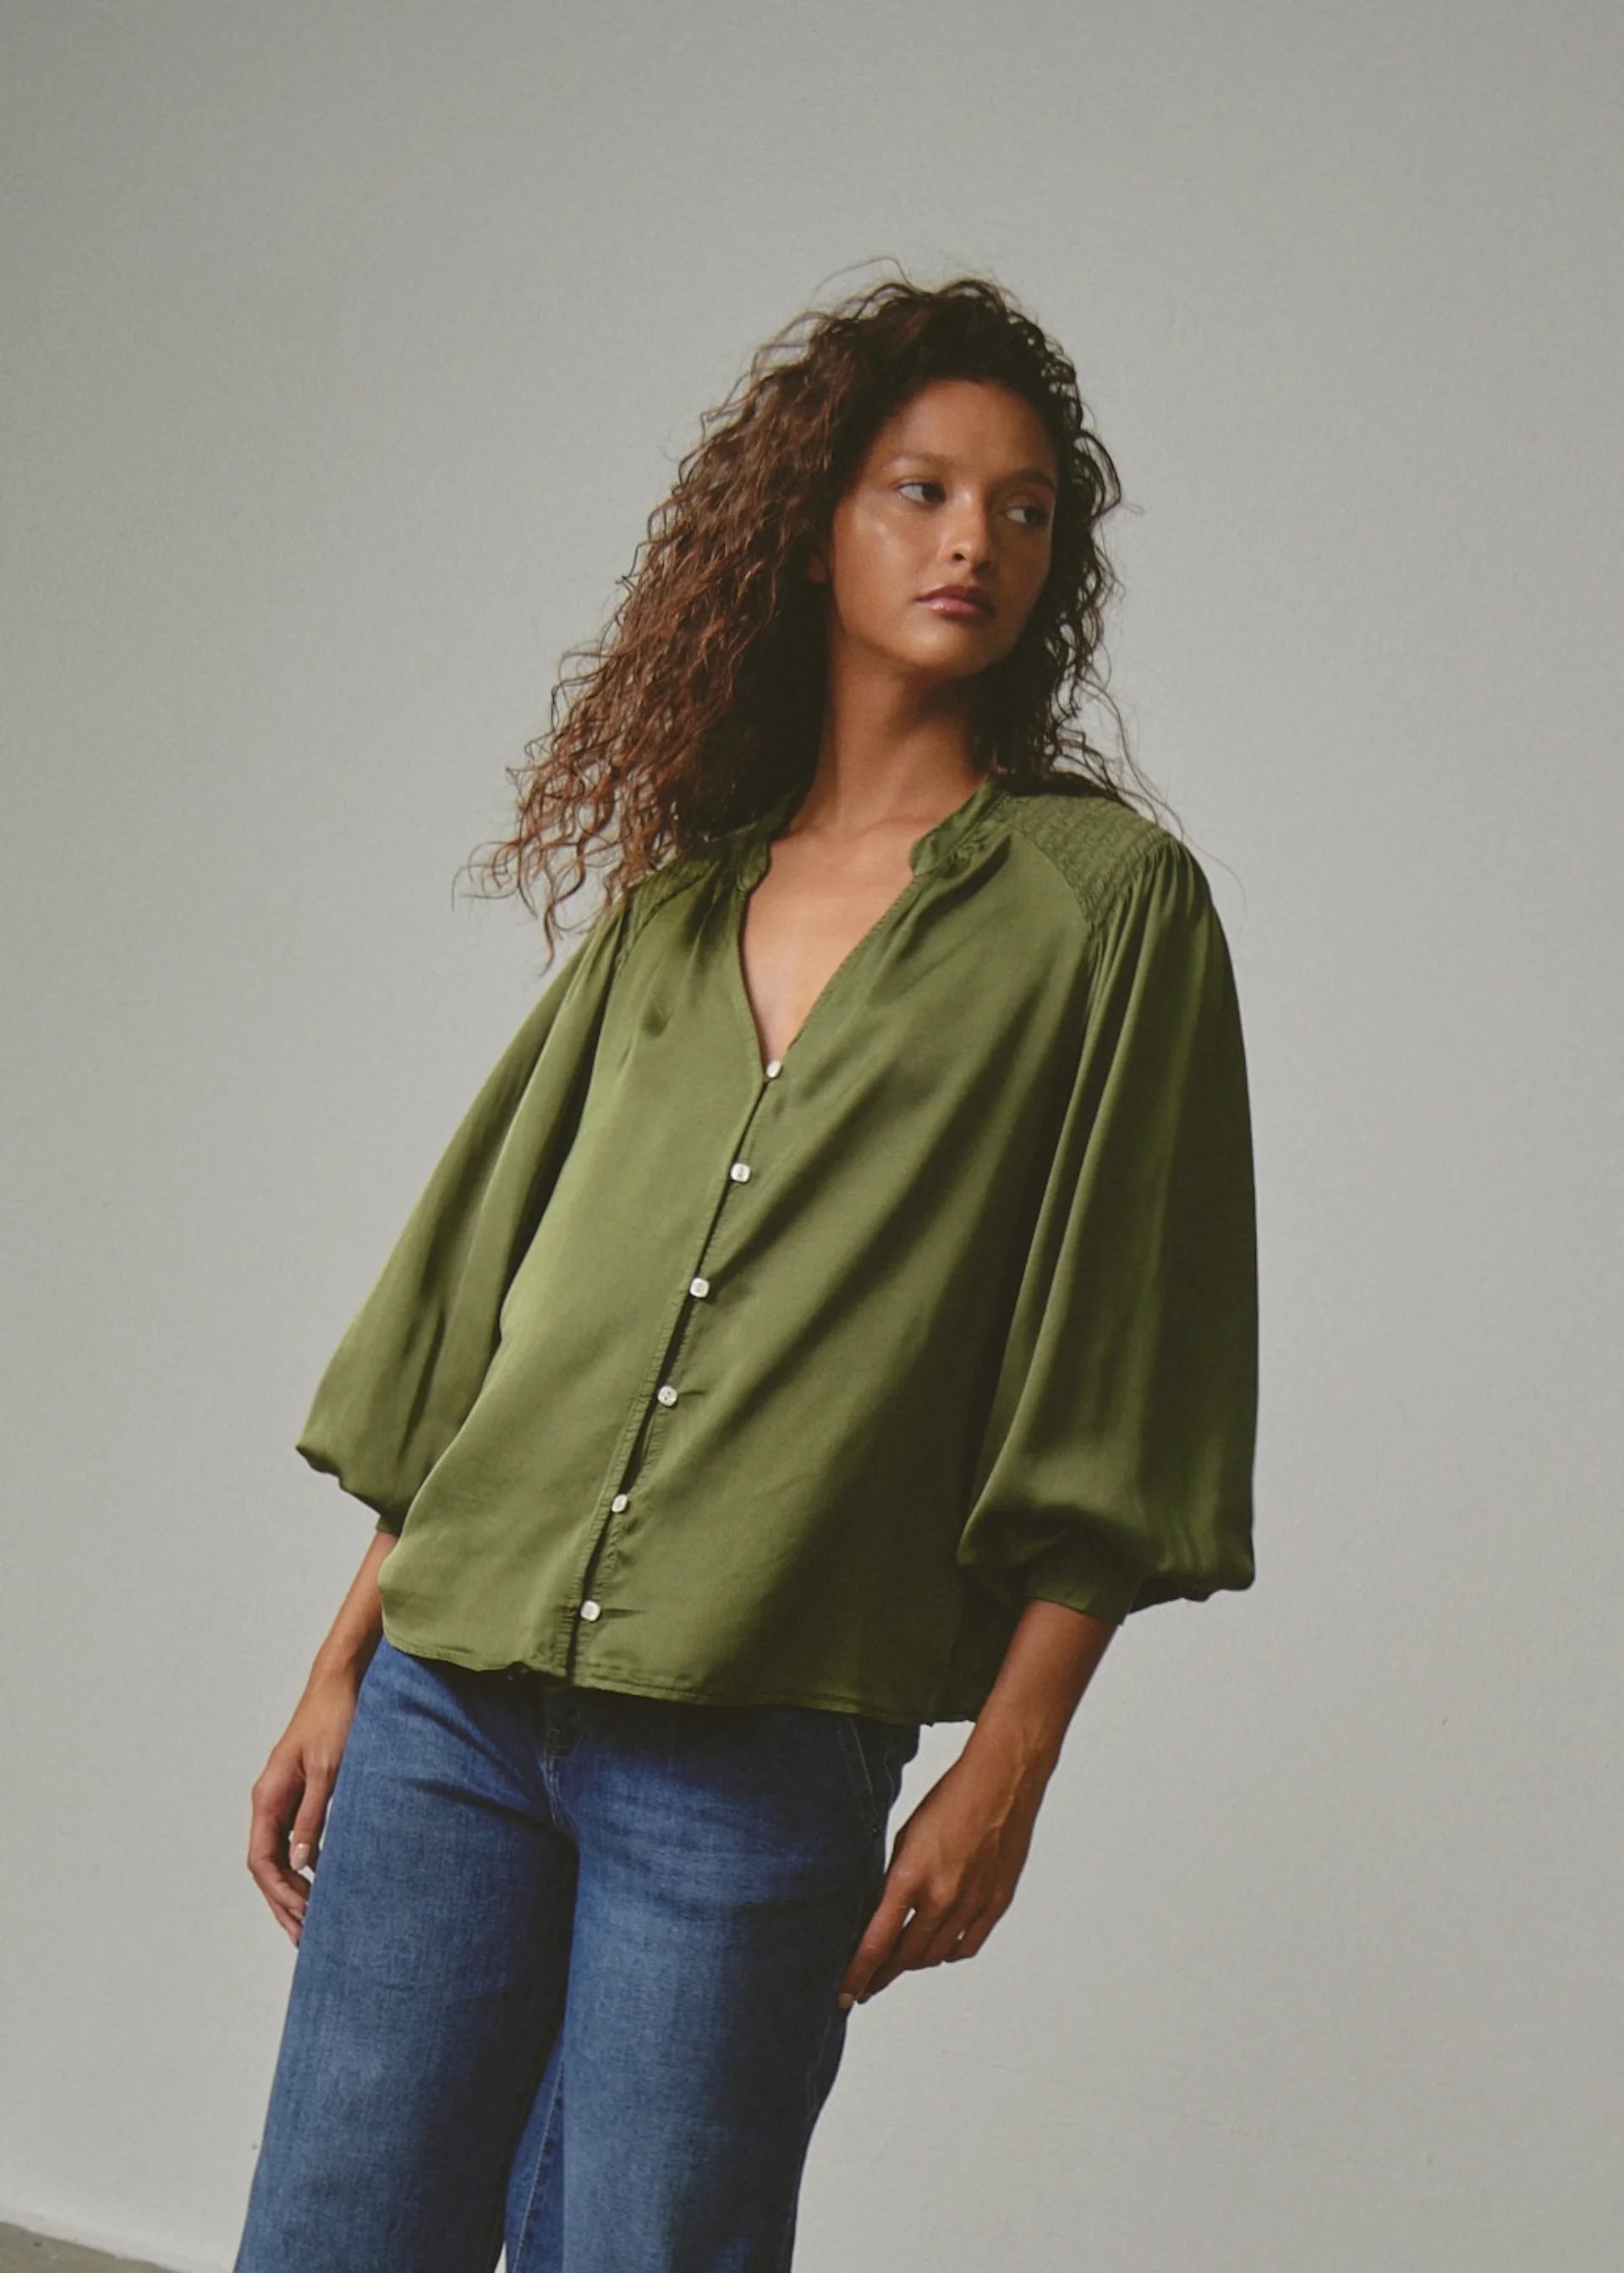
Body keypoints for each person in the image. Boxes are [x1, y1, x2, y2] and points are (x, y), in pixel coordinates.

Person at [232, 271, 1259, 2273]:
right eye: (922, 490)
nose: (976, 541)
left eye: (1025, 508)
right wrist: (344, 1659)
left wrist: (1011, 1764)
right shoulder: (676, 910)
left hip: (763, 1730)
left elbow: (1135, 1364)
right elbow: (494, 1316)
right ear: (810, 528)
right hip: (454, 1702)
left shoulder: (1106, 911)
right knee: (334, 2238)